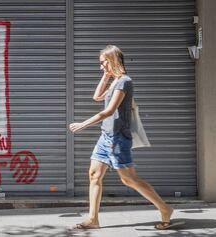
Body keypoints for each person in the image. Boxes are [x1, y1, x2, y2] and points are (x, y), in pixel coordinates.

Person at [68, 45, 182, 230]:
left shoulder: (124, 82)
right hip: (105, 137)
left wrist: (83, 124)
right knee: (94, 175)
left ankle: (165, 208)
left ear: (112, 60)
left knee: (129, 179)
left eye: (103, 62)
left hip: (118, 139)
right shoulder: (114, 81)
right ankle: (93, 219)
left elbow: (109, 111)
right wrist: (106, 76)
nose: (101, 66)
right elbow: (97, 97)